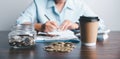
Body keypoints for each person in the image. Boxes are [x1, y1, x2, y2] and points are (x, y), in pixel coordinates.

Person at [16, 0, 106, 32]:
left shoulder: (79, 4)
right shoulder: (38, 2)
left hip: (75, 50)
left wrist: (77, 25)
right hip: (44, 50)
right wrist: (41, 26)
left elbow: (100, 24)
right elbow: (19, 24)